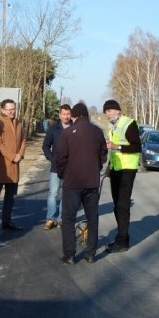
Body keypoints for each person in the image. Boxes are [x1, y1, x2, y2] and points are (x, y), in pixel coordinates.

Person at [56, 102, 107, 264]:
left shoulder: (68, 132)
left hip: (72, 182)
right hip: (92, 182)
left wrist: (63, 174)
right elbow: (103, 155)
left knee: (69, 218)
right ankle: (90, 253)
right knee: (93, 218)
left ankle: (70, 254)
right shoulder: (98, 132)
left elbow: (61, 158)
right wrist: (95, 169)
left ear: (74, 116)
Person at [102, 99, 142, 253]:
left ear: (118, 110)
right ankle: (121, 237)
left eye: (109, 111)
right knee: (117, 205)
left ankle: (123, 242)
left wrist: (116, 145)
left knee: (122, 206)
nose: (107, 114)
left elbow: (137, 146)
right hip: (116, 169)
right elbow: (113, 151)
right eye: (105, 112)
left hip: (127, 169)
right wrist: (109, 168)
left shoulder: (129, 123)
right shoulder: (113, 126)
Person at [0, 98, 26, 233]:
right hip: (1, 166)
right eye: (9, 110)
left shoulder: (19, 123)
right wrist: (11, 156)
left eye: (13, 109)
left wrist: (20, 155)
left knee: (10, 196)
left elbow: (23, 141)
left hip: (15, 166)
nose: (12, 112)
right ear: (2, 109)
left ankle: (7, 221)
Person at [42, 104, 72, 229]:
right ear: (59, 114)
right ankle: (50, 218)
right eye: (63, 114)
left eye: (68, 114)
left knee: (66, 194)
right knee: (53, 193)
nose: (66, 116)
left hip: (70, 168)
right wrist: (52, 158)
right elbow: (45, 146)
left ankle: (61, 219)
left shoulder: (75, 128)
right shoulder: (53, 129)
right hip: (56, 167)